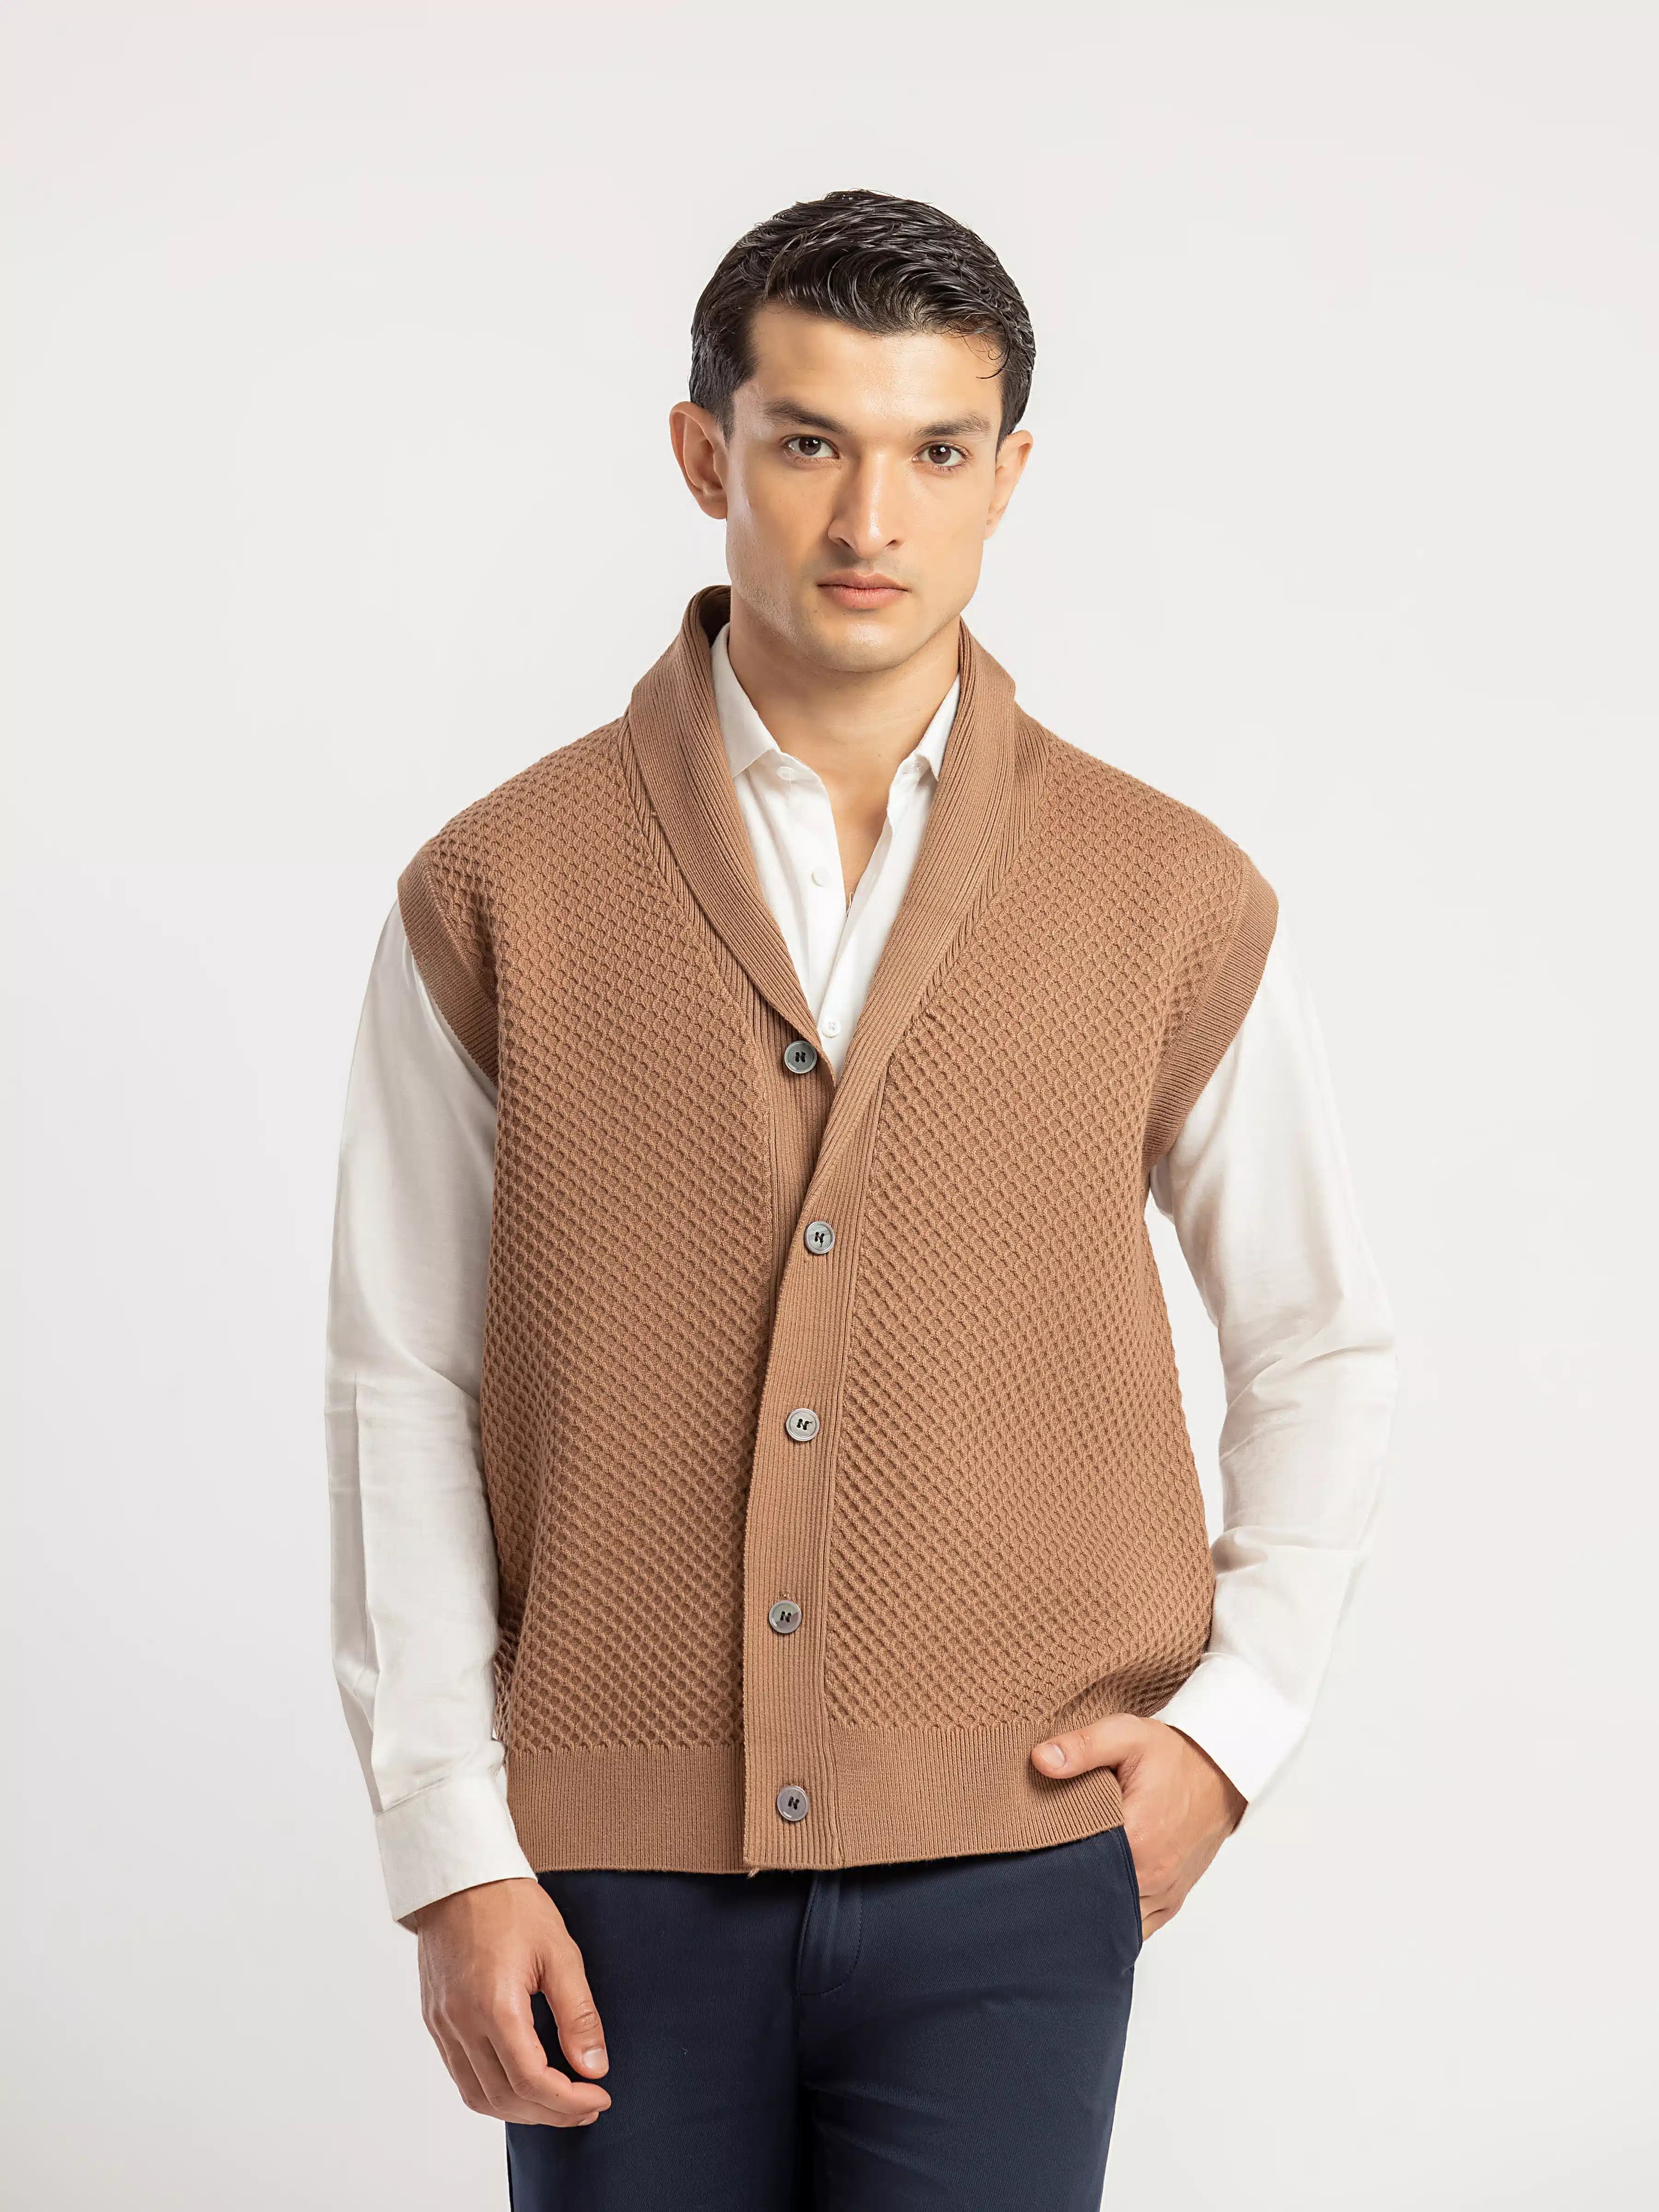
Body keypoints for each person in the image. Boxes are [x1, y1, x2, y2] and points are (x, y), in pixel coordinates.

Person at [325, 187, 1396, 2209]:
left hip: (1021, 1856)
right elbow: (402, 1377)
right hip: (607, 1875)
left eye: (937, 452)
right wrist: (450, 1846)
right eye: (811, 441)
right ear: (703, 452)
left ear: (1011, 475)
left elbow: (1318, 1340)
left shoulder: (1165, 892)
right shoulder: (499, 889)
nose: (871, 520)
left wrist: (1231, 1733)